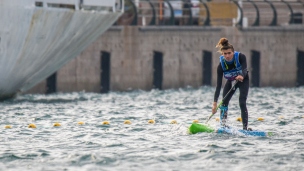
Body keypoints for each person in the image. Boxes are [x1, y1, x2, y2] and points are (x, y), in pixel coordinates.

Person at [212, 37, 251, 130]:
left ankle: (245, 128)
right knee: (223, 104)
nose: (227, 56)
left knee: (242, 102)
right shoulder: (221, 66)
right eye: (225, 54)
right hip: (231, 82)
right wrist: (214, 103)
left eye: (229, 53)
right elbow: (218, 85)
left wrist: (241, 75)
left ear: (233, 52)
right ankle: (223, 126)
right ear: (222, 54)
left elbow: (245, 69)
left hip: (243, 80)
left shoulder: (241, 57)